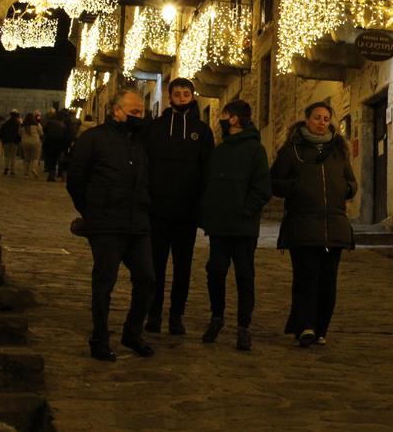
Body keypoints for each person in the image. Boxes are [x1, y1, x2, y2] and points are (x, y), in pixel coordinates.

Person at [66, 88, 156, 361]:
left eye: (143, 112)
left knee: (147, 279)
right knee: (105, 282)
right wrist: (92, 211)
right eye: (135, 112)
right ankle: (100, 338)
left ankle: (132, 332)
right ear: (117, 111)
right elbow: (76, 181)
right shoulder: (93, 140)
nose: (140, 117)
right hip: (106, 224)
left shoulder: (141, 142)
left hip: (137, 223)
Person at [272, 101, 356, 348]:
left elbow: (351, 182)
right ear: (307, 119)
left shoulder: (339, 150)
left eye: (326, 118)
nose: (322, 122)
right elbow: (274, 181)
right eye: (317, 117)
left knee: (328, 282)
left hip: (335, 226)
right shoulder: (292, 151)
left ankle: (321, 328)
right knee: (307, 278)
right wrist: (296, 188)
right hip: (303, 225)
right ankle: (305, 325)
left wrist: (345, 189)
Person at [139, 77, 214, 336]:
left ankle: (176, 315)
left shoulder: (202, 131)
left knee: (183, 266)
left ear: (192, 96)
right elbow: (144, 165)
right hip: (158, 210)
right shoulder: (155, 127)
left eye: (186, 94)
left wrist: (202, 208)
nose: (182, 97)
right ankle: (154, 313)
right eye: (177, 93)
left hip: (186, 212)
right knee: (155, 265)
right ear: (170, 97)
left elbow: (207, 170)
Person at [198, 99, 271, 350]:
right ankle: (216, 316)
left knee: (244, 275)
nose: (221, 117)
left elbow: (262, 188)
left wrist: (245, 212)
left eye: (225, 114)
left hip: (242, 227)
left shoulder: (255, 150)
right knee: (215, 271)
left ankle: (243, 326)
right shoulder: (219, 151)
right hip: (219, 226)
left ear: (235, 119)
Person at [43, 108, 67, 182]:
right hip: (59, 144)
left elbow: (45, 131)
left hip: (49, 143)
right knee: (57, 159)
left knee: (51, 159)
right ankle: (58, 176)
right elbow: (65, 135)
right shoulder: (62, 125)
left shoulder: (49, 123)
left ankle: (51, 174)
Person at [0, 110, 22, 176]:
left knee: (6, 156)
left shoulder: (6, 123)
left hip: (6, 141)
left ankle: (6, 168)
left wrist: (3, 140)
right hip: (14, 141)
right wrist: (19, 140)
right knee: (13, 156)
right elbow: (19, 133)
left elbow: (2, 132)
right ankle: (12, 170)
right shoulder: (18, 124)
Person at [20, 112, 43, 178]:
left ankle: (26, 174)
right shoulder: (37, 125)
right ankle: (33, 168)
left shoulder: (23, 126)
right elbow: (41, 133)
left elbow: (19, 133)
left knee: (26, 158)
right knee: (35, 157)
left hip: (25, 142)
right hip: (35, 142)